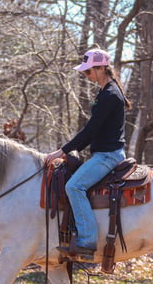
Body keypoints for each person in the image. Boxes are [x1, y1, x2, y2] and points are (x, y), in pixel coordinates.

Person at [44, 48, 132, 262]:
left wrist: (62, 151)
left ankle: (87, 242)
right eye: (85, 72)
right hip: (103, 153)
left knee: (74, 186)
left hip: (108, 155)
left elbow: (91, 130)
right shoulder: (105, 92)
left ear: (101, 68)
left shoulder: (110, 95)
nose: (86, 76)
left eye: (88, 71)